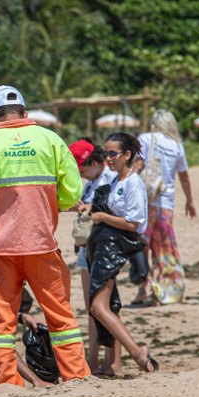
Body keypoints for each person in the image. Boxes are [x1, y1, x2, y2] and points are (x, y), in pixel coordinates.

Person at [0, 85, 89, 386]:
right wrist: (53, 205)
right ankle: (77, 377)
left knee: (0, 323)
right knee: (60, 316)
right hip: (41, 242)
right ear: (26, 113)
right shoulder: (50, 140)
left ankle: (6, 384)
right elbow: (72, 192)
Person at [84, 132, 158, 374]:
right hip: (104, 246)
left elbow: (134, 224)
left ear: (127, 155)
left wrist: (102, 216)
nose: (108, 158)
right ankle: (111, 364)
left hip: (113, 249)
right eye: (106, 154)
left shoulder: (132, 183)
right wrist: (90, 208)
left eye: (113, 154)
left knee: (98, 307)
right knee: (108, 306)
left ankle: (137, 353)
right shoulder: (116, 180)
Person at [68, 139, 122, 376]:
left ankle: (113, 361)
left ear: (95, 161)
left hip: (103, 247)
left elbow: (111, 210)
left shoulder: (109, 178)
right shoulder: (92, 181)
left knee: (107, 306)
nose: (81, 174)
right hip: (87, 247)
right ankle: (93, 359)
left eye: (82, 168)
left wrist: (89, 208)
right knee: (92, 307)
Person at [134, 109, 195, 305]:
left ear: (154, 123)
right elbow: (184, 175)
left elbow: (136, 166)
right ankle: (168, 291)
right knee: (164, 247)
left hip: (145, 200)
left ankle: (144, 288)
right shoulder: (177, 145)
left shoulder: (144, 138)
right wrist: (189, 200)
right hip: (166, 202)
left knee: (142, 245)